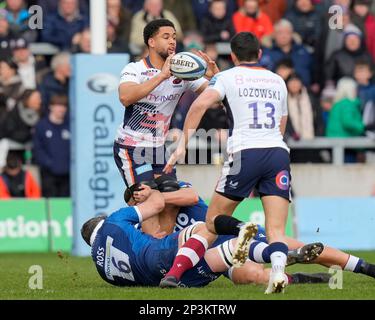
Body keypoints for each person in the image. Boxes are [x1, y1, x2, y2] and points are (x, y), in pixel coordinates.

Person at [162, 32, 291, 294]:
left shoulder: (226, 77)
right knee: (277, 229)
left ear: (232, 56)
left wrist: (183, 143)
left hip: (245, 153)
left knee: (213, 220)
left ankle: (243, 229)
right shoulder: (278, 80)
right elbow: (282, 124)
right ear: (260, 54)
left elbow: (199, 106)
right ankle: (278, 272)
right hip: (277, 152)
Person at [81, 183, 326, 288]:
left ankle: (294, 262)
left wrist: (161, 197)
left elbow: (189, 197)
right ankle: (277, 253)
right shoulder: (119, 221)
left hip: (177, 268)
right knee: (239, 262)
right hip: (174, 255)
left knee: (226, 243)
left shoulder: (103, 271)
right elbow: (154, 224)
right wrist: (152, 200)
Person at [115, 19, 218, 188]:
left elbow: (217, 99)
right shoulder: (134, 69)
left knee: (172, 199)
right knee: (149, 201)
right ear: (152, 42)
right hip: (132, 147)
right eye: (166, 37)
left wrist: (216, 77)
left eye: (174, 37)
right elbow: (125, 97)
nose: (172, 41)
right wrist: (161, 76)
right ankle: (108, 217)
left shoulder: (183, 73)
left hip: (159, 148)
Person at [32, 94, 70, 197]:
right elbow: (38, 149)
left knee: (66, 205)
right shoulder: (42, 126)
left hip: (67, 175)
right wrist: (49, 163)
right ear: (51, 106)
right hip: (48, 175)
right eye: (58, 105)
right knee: (50, 204)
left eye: (64, 106)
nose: (61, 109)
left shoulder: (70, 125)